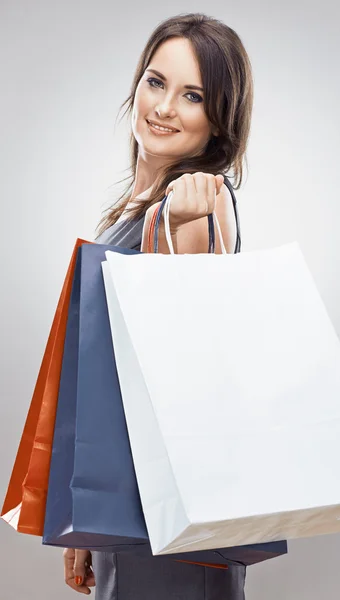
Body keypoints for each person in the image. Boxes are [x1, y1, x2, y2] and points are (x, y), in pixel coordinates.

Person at [63, 11, 253, 599]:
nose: (165, 107)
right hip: (133, 502)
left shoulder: (198, 201)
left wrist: (179, 221)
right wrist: (88, 520)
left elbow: (185, 375)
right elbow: (111, 381)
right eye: (156, 81)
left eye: (192, 95)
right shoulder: (135, 206)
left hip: (173, 511)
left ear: (219, 124)